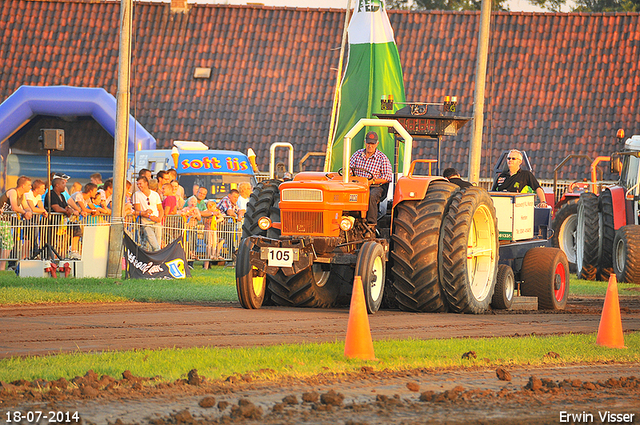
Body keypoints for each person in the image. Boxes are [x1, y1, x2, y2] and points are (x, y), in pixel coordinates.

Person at [349, 131, 392, 238]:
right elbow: (348, 169)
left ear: (377, 144)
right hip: (357, 184)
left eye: (372, 144)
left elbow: (388, 177)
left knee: (371, 195)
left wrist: (372, 181)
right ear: (365, 142)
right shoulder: (357, 155)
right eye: (368, 143)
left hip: (374, 185)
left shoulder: (382, 158)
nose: (370, 146)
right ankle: (347, 221)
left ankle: (371, 225)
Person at [0, 176, 33, 270]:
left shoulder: (21, 195)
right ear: (22, 186)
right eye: (29, 185)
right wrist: (25, 212)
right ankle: (2, 268)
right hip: (2, 220)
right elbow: (14, 207)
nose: (30, 187)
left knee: (4, 244)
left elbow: (25, 206)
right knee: (8, 244)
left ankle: (1, 267)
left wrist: (28, 211)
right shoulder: (12, 192)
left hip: (6, 221)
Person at [132, 176, 163, 251]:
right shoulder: (137, 195)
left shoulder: (155, 194)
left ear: (146, 183)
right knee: (154, 244)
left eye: (140, 184)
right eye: (138, 184)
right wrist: (148, 215)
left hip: (156, 222)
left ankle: (156, 259)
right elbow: (138, 210)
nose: (139, 186)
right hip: (146, 223)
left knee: (158, 243)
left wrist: (159, 218)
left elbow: (160, 209)